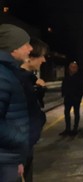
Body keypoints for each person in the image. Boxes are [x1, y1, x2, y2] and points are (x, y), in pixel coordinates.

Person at [0, 24, 31, 181]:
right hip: (4, 162)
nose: (30, 48)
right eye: (25, 44)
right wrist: (20, 138)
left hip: (9, 158)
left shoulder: (8, 72)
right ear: (13, 48)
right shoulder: (2, 75)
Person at [19, 37, 48, 182]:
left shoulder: (29, 80)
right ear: (29, 57)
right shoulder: (19, 82)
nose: (44, 60)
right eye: (41, 55)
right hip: (19, 146)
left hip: (26, 142)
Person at [60, 61, 83, 136]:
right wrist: (63, 94)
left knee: (76, 113)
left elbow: (82, 88)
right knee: (66, 113)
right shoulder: (67, 77)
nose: (72, 69)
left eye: (74, 67)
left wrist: (79, 96)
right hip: (67, 98)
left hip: (76, 98)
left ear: (77, 68)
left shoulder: (80, 77)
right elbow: (63, 86)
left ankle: (75, 129)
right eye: (71, 67)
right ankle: (67, 129)